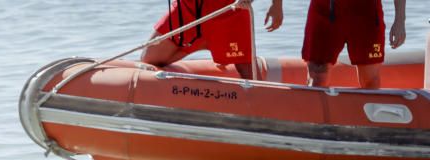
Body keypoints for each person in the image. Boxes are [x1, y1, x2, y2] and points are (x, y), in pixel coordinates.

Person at [141, 0, 284, 80]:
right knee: (148, 59)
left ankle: (258, 120)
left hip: (229, 12)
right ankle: (201, 45)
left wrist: (276, 5)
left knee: (249, 73)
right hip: (188, 10)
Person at [302, 0, 406, 89]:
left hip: (366, 12)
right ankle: (315, 111)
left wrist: (400, 20)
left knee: (370, 80)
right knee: (317, 77)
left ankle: (366, 111)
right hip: (326, 8)